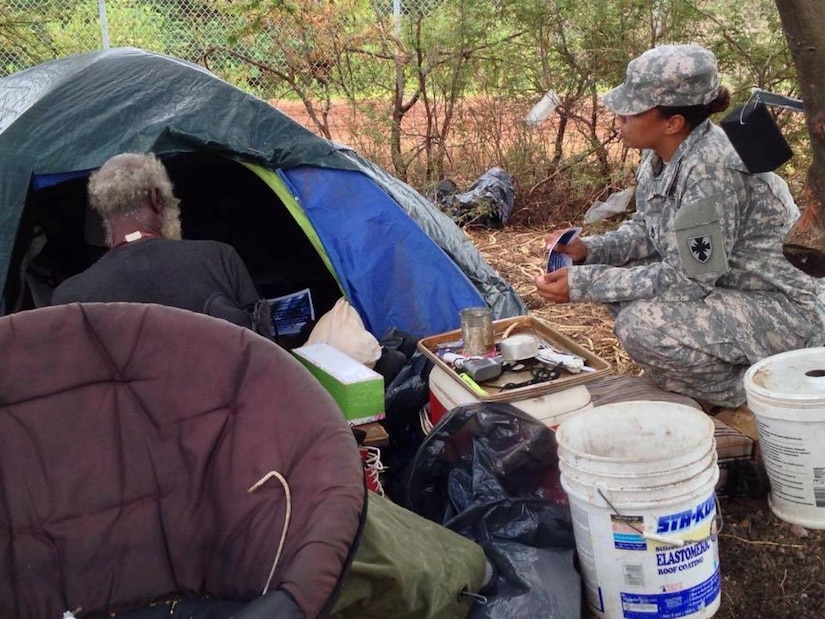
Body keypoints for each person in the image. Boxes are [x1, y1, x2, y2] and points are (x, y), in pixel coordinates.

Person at [535, 44, 825, 408]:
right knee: (619, 281)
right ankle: (719, 377)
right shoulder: (663, 151)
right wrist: (590, 251)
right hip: (730, 289)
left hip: (781, 310)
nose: (619, 120)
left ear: (672, 123)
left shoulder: (711, 170)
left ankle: (756, 396)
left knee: (639, 325)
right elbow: (648, 228)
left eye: (630, 113)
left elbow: (688, 281)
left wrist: (583, 283)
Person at [52, 152, 270, 335]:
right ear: (156, 198)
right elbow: (264, 347)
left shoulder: (69, 298)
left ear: (102, 208)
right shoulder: (219, 258)